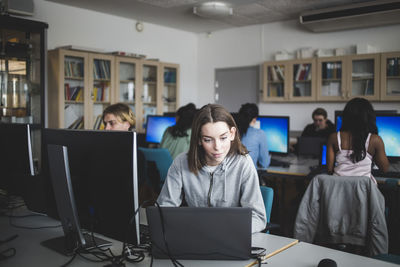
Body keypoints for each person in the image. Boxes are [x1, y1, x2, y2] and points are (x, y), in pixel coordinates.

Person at [157, 104, 267, 233]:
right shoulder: (181, 162)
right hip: (195, 235)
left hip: (229, 237)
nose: (217, 147)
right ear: (198, 139)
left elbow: (258, 218)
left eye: (223, 138)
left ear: (232, 134)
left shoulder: (243, 163)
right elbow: (163, 209)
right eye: (208, 140)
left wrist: (223, 230)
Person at [326, 98, 389, 183]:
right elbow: (384, 169)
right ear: (369, 117)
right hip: (364, 190)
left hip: (338, 189)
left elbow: (329, 169)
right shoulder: (375, 140)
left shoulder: (333, 137)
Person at [237, 103, 270, 168]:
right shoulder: (260, 134)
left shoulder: (233, 133)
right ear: (254, 119)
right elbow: (265, 164)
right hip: (250, 177)